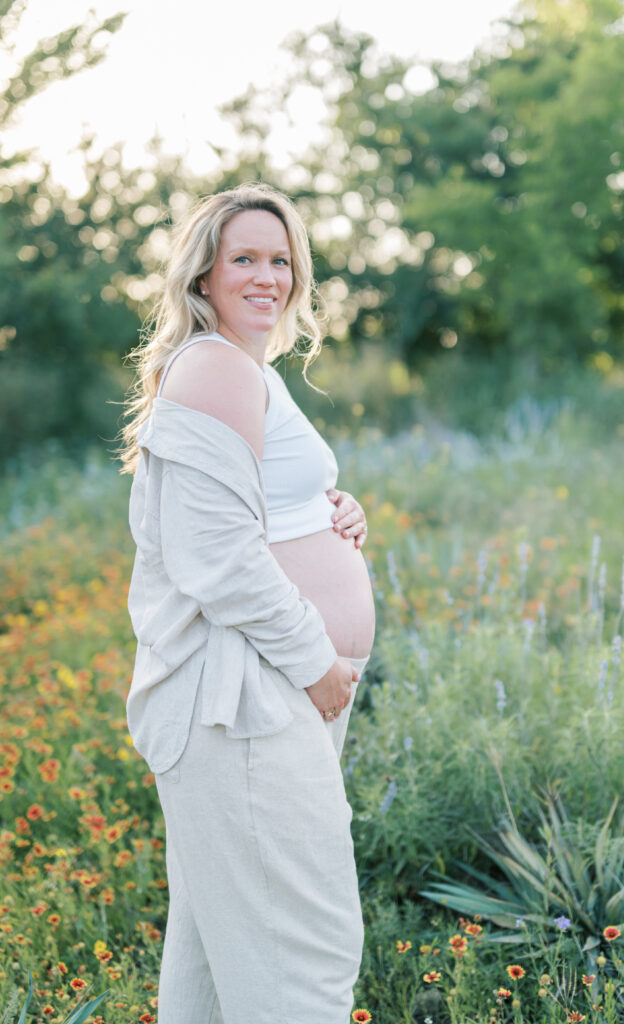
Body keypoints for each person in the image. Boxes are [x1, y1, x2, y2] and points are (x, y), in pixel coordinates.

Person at [118, 182, 375, 1024]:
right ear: (203, 276)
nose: (267, 275)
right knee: (302, 957)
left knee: (223, 960)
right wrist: (318, 665)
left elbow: (249, 510)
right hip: (249, 698)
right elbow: (215, 558)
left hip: (264, 700)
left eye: (280, 259)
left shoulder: (244, 366)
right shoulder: (214, 366)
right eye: (244, 259)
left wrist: (330, 510)